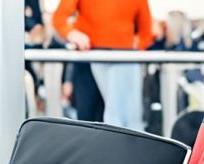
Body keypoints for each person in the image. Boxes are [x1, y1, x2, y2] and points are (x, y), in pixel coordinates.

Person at [52, 0, 153, 132]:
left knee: (123, 126)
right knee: (88, 123)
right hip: (89, 58)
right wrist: (72, 34)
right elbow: (59, 18)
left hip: (123, 61)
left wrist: (130, 47)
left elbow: (146, 33)